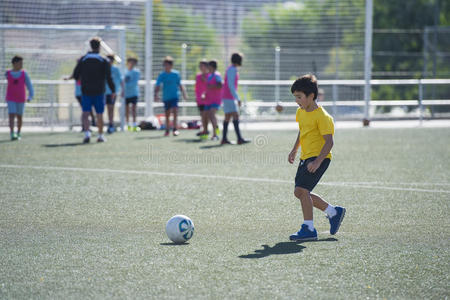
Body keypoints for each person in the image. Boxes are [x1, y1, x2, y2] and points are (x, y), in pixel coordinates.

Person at [287, 74, 345, 241]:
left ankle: (309, 228)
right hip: (306, 158)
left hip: (320, 158)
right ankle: (333, 212)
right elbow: (302, 131)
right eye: (295, 97)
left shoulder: (323, 117)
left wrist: (318, 161)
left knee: (302, 191)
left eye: (299, 97)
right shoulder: (301, 112)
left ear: (311, 96)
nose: (296, 101)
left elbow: (329, 142)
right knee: (300, 192)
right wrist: (294, 149)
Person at [72, 37, 115, 143]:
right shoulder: (103, 60)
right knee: (99, 113)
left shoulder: (83, 59)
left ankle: (87, 134)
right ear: (99, 46)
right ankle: (100, 135)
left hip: (86, 91)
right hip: (99, 91)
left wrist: (84, 79)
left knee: (86, 113)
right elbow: (108, 77)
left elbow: (76, 74)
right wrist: (113, 90)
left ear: (91, 46)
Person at [154, 56, 188, 137]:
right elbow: (158, 85)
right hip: (166, 97)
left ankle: (175, 129)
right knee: (167, 114)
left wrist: (184, 93)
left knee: (175, 112)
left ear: (171, 65)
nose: (166, 67)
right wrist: (156, 95)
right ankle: (167, 130)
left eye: (167, 65)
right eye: (164, 65)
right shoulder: (162, 75)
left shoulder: (175, 74)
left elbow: (180, 84)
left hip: (174, 96)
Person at [221, 53, 249, 145]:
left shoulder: (231, 69)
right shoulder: (232, 69)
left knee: (227, 117)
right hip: (229, 96)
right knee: (235, 115)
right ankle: (239, 139)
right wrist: (237, 98)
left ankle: (224, 139)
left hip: (227, 96)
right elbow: (231, 85)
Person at [4, 55, 34, 141]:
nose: (21, 65)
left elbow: (29, 86)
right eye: (20, 63)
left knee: (19, 116)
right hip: (11, 98)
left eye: (22, 63)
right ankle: (12, 133)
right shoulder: (7, 73)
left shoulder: (24, 74)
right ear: (14, 63)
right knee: (11, 115)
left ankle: (18, 132)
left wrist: (30, 96)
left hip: (21, 98)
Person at [105, 55, 124, 134]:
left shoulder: (116, 69)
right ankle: (105, 124)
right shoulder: (104, 69)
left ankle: (111, 125)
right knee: (104, 109)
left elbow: (121, 80)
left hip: (112, 92)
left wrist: (123, 90)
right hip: (103, 92)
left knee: (111, 108)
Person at [205, 60, 222, 141]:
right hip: (209, 99)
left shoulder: (217, 75)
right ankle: (216, 128)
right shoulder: (209, 75)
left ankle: (215, 134)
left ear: (212, 66)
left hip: (216, 99)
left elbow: (220, 85)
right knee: (211, 116)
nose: (207, 67)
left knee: (212, 114)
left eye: (208, 66)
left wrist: (212, 86)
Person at [123, 57, 140, 132]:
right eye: (130, 62)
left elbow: (134, 82)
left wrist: (126, 84)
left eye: (133, 63)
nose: (131, 64)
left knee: (133, 109)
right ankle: (127, 124)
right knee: (126, 109)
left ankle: (134, 124)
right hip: (126, 94)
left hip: (134, 93)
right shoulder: (125, 71)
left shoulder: (136, 72)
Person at [195, 59, 209, 139]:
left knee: (207, 116)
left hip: (208, 99)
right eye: (200, 66)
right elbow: (196, 88)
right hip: (200, 99)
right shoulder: (198, 76)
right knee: (203, 116)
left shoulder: (210, 75)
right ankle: (205, 130)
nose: (200, 67)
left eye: (202, 66)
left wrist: (206, 80)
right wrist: (197, 97)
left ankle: (207, 130)